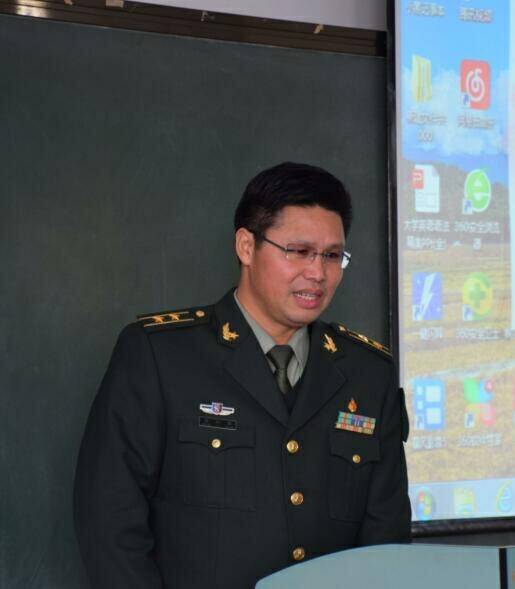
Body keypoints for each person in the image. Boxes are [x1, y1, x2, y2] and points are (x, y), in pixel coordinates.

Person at [74, 162, 411, 589]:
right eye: (299, 251)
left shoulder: (368, 373)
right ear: (246, 247)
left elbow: (386, 538)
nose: (318, 273)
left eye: (332, 256)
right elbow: (108, 520)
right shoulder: (161, 356)